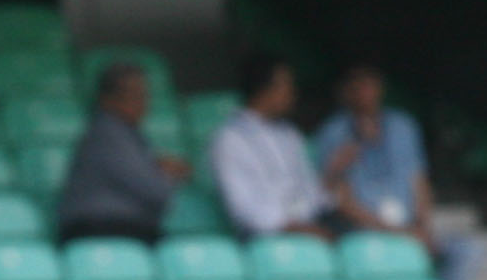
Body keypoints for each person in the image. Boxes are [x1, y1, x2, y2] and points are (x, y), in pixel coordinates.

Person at [309, 61, 479, 280]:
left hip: (409, 225)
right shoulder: (333, 133)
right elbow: (339, 201)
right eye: (358, 87)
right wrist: (397, 232)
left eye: (370, 85)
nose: (365, 93)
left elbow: (419, 181)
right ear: (346, 92)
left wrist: (422, 227)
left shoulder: (404, 126)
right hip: (364, 229)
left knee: (468, 250)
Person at [53, 61, 190, 248]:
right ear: (107, 99)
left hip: (119, 229)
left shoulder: (122, 133)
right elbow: (156, 192)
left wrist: (155, 167)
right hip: (101, 230)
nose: (143, 102)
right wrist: (168, 174)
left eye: (143, 95)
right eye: (134, 95)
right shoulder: (108, 133)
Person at [205, 55, 336, 242]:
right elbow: (244, 209)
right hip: (266, 239)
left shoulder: (290, 134)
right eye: (287, 85)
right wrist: (294, 227)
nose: (293, 93)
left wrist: (333, 182)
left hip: (310, 227)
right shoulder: (229, 139)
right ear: (265, 90)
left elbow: (310, 192)